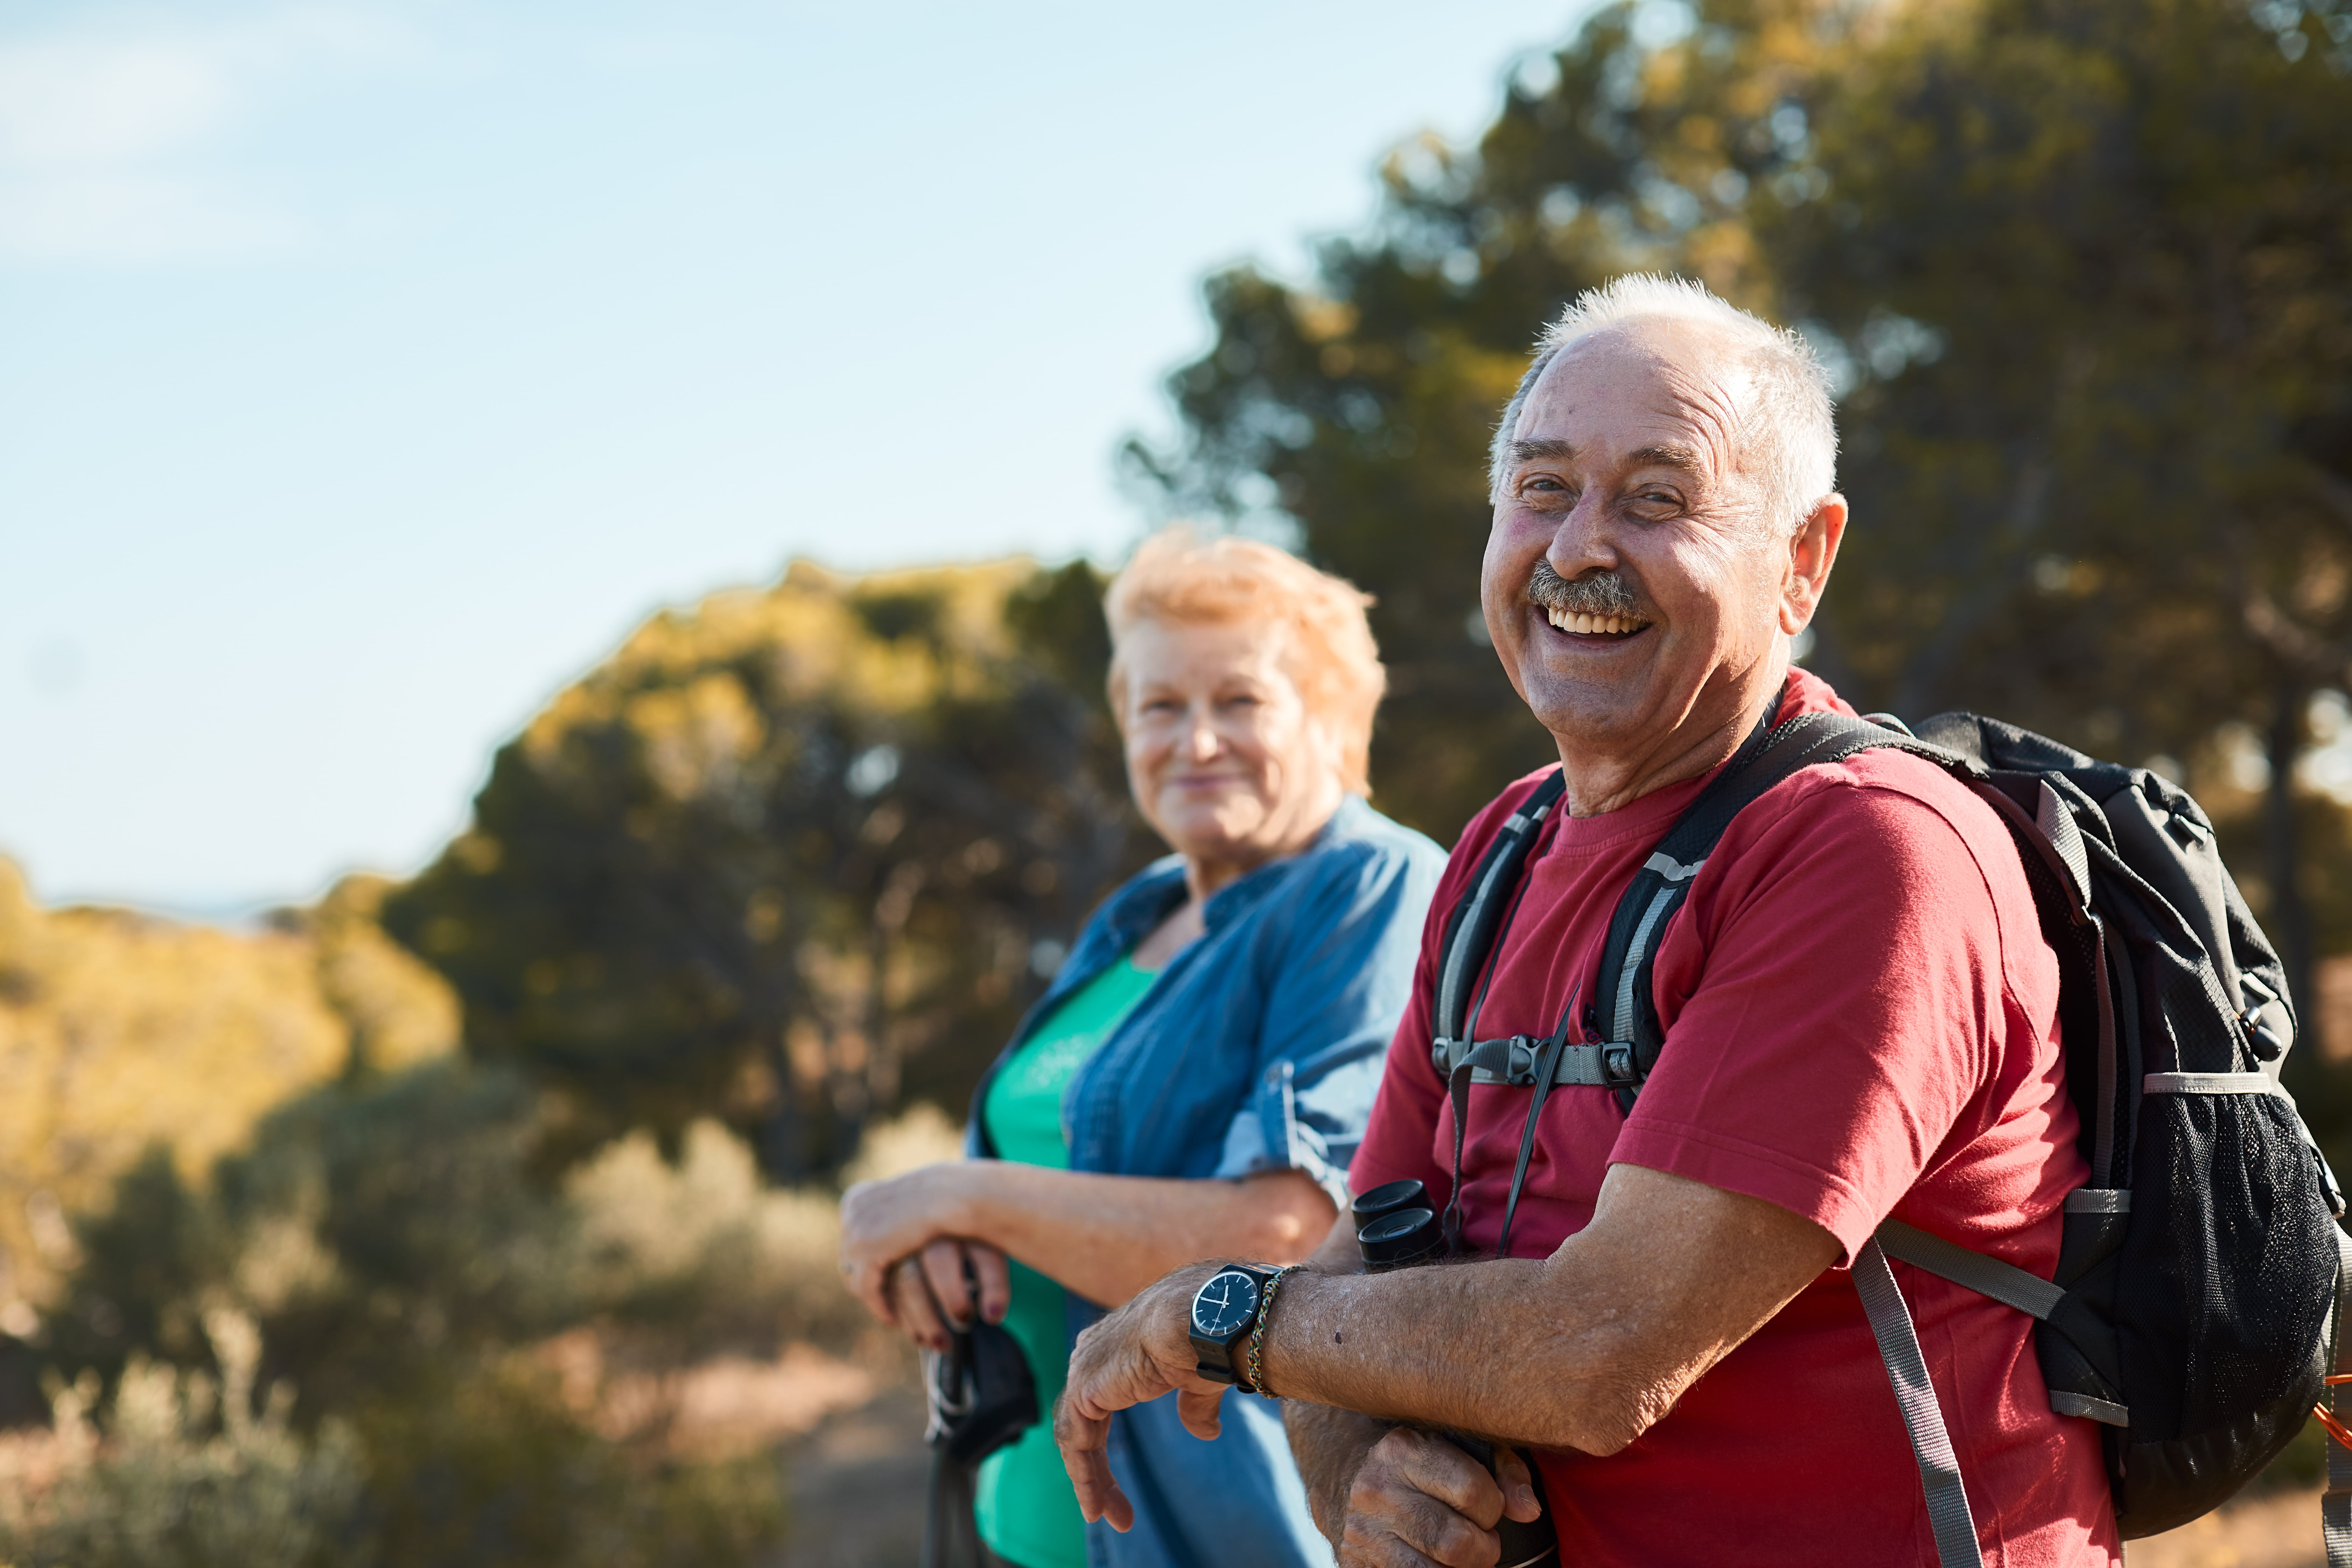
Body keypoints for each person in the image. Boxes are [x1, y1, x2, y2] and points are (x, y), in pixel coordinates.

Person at [1053, 276, 2119, 1566]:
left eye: (1658, 498)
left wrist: (1213, 1321)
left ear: (1803, 560)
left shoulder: (1871, 856)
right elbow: (1358, 1263)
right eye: (1543, 489)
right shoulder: (1503, 846)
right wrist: (1359, 1476)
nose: (1574, 551)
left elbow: (1603, 1350)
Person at [840, 528, 1446, 1568]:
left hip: (1228, 1527)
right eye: (1162, 707)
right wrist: (951, 1245)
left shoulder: (1369, 890)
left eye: (1241, 700)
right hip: (1028, 1521)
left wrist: (960, 1197)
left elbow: (1288, 1235)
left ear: (1330, 719)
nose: (1195, 741)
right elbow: (1057, 1164)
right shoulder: (1139, 909)